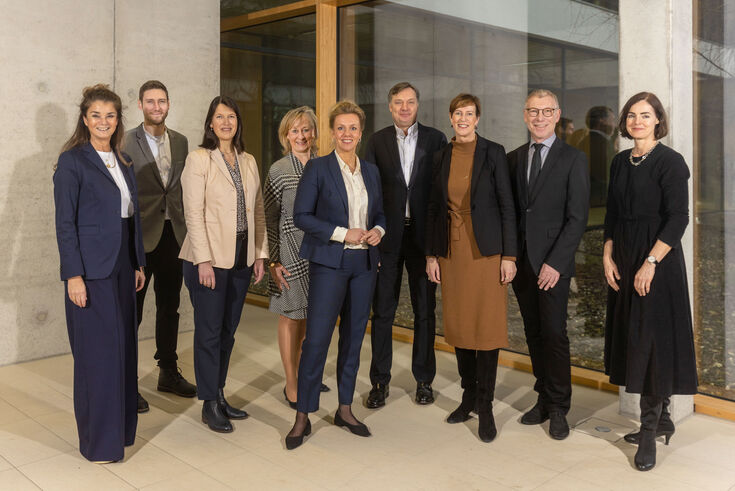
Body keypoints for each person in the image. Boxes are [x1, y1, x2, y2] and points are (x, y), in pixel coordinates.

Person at [603, 92, 697, 471]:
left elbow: (678, 218)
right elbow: (612, 213)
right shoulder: (619, 162)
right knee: (635, 336)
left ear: (658, 120)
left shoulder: (671, 162)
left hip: (658, 260)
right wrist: (608, 254)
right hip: (625, 257)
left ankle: (648, 431)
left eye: (645, 115)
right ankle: (663, 419)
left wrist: (651, 262)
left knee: (653, 342)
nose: (637, 121)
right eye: (631, 115)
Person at [285, 100, 386, 450]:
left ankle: (344, 409)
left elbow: (380, 214)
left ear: (361, 132)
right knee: (316, 341)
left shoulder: (371, 171)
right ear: (331, 132)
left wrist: (378, 231)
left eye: (353, 128)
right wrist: (344, 233)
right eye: (340, 127)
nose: (347, 133)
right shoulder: (318, 168)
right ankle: (303, 415)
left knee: (354, 339)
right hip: (329, 264)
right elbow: (302, 216)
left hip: (364, 266)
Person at [53, 84, 146, 462]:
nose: (103, 122)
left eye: (110, 115)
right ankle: (99, 444)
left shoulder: (124, 161)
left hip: (123, 265)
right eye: (96, 115)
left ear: (118, 119)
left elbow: (131, 217)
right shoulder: (72, 161)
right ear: (85, 119)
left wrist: (137, 262)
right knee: (98, 357)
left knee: (124, 351)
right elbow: (65, 224)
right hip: (90, 271)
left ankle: (121, 433)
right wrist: (73, 275)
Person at [425, 93, 517, 443]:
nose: (463, 119)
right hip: (452, 252)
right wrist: (431, 255)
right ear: (450, 118)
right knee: (461, 325)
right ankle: (468, 397)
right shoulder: (440, 156)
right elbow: (433, 209)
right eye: (457, 113)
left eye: (469, 113)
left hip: (487, 252)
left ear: (477, 118)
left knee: (487, 327)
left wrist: (509, 256)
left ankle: (486, 404)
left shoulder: (493, 152)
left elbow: (507, 206)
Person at [179, 96, 268, 433]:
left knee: (228, 332)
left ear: (238, 122)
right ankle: (208, 404)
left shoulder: (249, 160)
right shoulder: (199, 159)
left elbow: (258, 210)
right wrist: (203, 260)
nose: (226, 122)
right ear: (210, 124)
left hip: (242, 256)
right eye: (220, 117)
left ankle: (219, 393)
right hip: (209, 259)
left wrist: (260, 253)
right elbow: (193, 212)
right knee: (209, 332)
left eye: (231, 116)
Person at [507, 89, 590, 440]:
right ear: (525, 115)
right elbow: (511, 214)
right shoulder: (513, 159)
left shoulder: (574, 159)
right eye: (533, 111)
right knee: (533, 332)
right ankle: (543, 397)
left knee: (555, 334)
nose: (539, 117)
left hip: (554, 265)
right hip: (523, 264)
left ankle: (558, 407)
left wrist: (555, 262)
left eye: (546, 111)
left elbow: (577, 217)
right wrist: (510, 257)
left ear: (557, 115)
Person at [365, 82, 447, 408]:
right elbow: (369, 194)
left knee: (424, 311)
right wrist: (372, 241)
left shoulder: (436, 139)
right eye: (398, 102)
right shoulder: (377, 141)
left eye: (410, 102)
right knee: (382, 312)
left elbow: (441, 196)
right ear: (390, 106)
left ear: (417, 105)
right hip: (387, 238)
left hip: (423, 240)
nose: (404, 107)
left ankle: (424, 381)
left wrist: (436, 248)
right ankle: (379, 382)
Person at [123, 80, 196, 414]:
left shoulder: (180, 141)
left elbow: (178, 189)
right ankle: (127, 382)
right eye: (150, 101)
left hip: (173, 234)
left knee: (170, 305)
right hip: (140, 236)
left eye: (162, 101)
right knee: (132, 311)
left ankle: (167, 370)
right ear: (140, 105)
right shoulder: (125, 141)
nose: (157, 106)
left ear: (168, 104)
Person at [263, 106, 329, 409]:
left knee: (311, 317)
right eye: (295, 130)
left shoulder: (326, 165)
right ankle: (291, 382)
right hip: (289, 253)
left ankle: (306, 374)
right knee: (291, 317)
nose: (301, 136)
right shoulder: (278, 170)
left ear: (314, 132)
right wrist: (273, 261)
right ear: (285, 135)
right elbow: (269, 217)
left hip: (321, 252)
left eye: (306, 129)